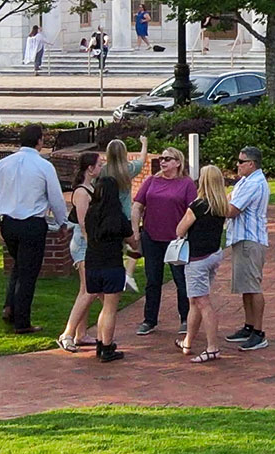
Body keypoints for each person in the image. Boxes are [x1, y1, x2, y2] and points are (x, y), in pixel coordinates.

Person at [0, 123, 67, 335]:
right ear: (39, 141)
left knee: (19, 266)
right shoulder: (44, 166)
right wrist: (62, 222)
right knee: (28, 274)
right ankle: (22, 322)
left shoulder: (4, 163)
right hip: (32, 224)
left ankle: (9, 306)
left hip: (9, 223)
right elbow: (56, 198)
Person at [59, 140, 138, 352]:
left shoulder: (93, 189)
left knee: (92, 291)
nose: (102, 167)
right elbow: (84, 225)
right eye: (99, 164)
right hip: (86, 245)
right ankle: (68, 333)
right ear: (90, 168)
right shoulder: (83, 192)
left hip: (92, 246)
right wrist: (95, 247)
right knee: (89, 292)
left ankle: (81, 334)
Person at [133, 148, 196, 337]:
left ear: (178, 162)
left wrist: (184, 233)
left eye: (167, 159)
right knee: (153, 280)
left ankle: (185, 318)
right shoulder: (151, 181)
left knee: (181, 280)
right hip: (151, 238)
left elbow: (193, 212)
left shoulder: (186, 184)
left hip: (176, 241)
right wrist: (135, 230)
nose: (163, 161)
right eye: (161, 158)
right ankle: (149, 320)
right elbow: (137, 205)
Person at [174, 163, 231, 362]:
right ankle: (188, 341)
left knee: (202, 302)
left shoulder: (197, 206)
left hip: (197, 259)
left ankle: (212, 347)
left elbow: (180, 230)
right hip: (213, 255)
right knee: (195, 300)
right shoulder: (221, 205)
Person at [82, 170, 135, 361]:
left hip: (92, 264)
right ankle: (106, 347)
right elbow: (131, 240)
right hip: (112, 265)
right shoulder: (118, 217)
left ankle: (100, 341)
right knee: (110, 309)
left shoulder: (90, 214)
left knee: (103, 306)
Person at [224, 144, 271, 350]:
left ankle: (259, 333)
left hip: (250, 241)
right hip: (242, 239)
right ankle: (249, 326)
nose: (238, 164)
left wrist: (210, 205)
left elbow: (231, 210)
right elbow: (229, 199)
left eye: (241, 161)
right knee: (245, 286)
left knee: (253, 286)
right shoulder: (245, 181)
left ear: (251, 164)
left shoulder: (254, 183)